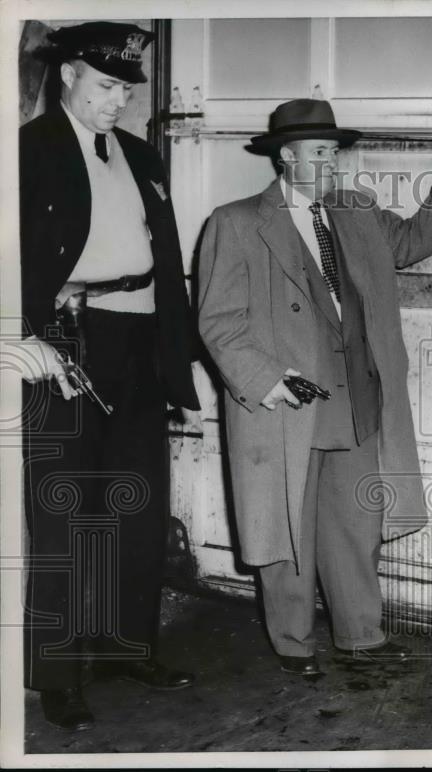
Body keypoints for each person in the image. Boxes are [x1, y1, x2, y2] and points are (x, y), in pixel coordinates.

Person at [197, 99, 432, 677]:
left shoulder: (356, 211)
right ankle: (293, 642)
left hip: (356, 395)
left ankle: (360, 634)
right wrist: (266, 379)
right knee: (287, 526)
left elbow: (410, 243)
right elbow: (217, 320)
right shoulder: (235, 222)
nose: (332, 162)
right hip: (285, 402)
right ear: (286, 156)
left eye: (335, 151)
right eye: (320, 152)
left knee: (355, 521)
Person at [19, 22, 201, 731]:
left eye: (126, 89)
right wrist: (26, 336)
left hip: (138, 340)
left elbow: (168, 257)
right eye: (104, 87)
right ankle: (59, 676)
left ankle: (127, 646)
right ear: (66, 75)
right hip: (68, 336)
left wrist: (173, 354)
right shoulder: (26, 153)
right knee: (64, 511)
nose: (117, 102)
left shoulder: (138, 153)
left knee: (137, 504)